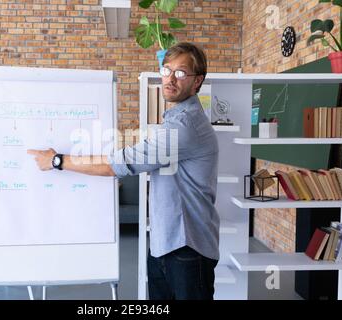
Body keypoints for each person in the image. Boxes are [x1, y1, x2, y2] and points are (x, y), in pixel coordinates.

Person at [27, 42, 219, 300]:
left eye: (181, 73)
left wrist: (57, 161)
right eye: (166, 70)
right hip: (167, 243)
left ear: (197, 82)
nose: (170, 79)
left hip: (187, 250)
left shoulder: (184, 127)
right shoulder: (174, 120)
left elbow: (117, 165)